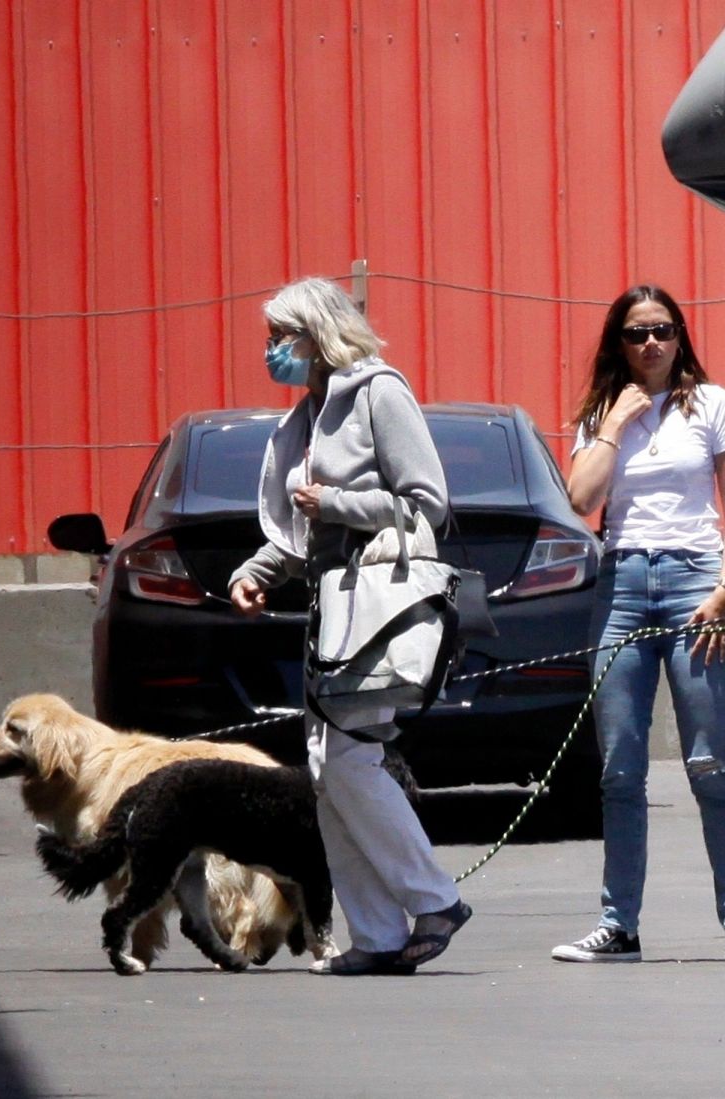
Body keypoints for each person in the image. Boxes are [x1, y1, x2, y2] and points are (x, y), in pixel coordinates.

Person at [229, 277, 471, 976]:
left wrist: (336, 500)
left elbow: (427, 502)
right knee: (326, 770)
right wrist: (256, 569)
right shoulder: (307, 413)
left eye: (282, 336)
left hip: (375, 608)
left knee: (348, 760)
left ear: (317, 333)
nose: (272, 350)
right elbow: (304, 528)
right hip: (330, 613)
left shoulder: (377, 392)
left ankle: (434, 901)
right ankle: (377, 936)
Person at [551, 284, 725, 964]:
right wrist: (613, 426)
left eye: (663, 330)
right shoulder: (602, 413)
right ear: (620, 342)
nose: (651, 344)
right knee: (619, 767)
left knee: (707, 762)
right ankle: (620, 925)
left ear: (681, 337)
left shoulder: (711, 404)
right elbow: (582, 498)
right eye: (638, 333)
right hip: (622, 585)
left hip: (695, 580)